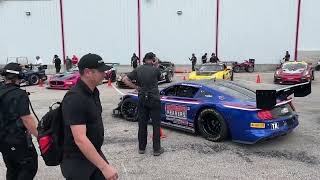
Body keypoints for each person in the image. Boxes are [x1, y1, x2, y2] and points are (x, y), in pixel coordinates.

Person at [60, 53, 118, 180]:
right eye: (101, 71)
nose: (104, 74)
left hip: (92, 152)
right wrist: (104, 167)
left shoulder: (93, 92)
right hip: (78, 160)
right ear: (87, 72)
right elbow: (80, 139)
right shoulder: (75, 98)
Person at [0, 63, 38, 180]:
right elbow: (26, 119)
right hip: (18, 140)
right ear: (19, 77)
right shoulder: (19, 94)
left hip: (3, 141)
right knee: (29, 167)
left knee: (12, 168)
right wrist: (39, 136)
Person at [122, 52, 164, 156]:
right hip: (154, 99)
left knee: (142, 124)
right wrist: (156, 65)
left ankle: (141, 148)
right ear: (153, 59)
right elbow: (161, 77)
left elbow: (125, 79)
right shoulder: (155, 69)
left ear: (144, 60)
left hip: (142, 98)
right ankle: (156, 150)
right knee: (156, 125)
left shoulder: (138, 69)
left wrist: (136, 87)